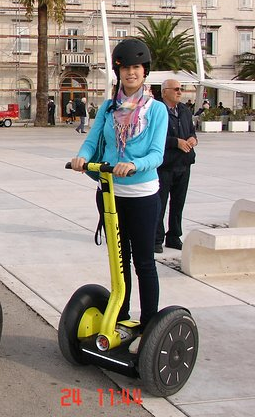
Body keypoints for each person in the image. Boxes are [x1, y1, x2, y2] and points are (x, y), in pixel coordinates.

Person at [70, 39, 167, 345]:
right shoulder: (109, 108)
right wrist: (82, 157)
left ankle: (149, 324)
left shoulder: (156, 110)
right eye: (125, 67)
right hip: (110, 192)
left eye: (136, 67)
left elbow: (157, 154)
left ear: (144, 71)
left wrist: (134, 165)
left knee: (143, 262)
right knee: (119, 259)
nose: (130, 73)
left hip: (142, 195)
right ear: (118, 72)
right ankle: (121, 314)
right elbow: (93, 140)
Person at [155, 79, 197, 253]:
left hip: (184, 164)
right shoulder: (157, 110)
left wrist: (193, 139)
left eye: (181, 89)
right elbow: (152, 138)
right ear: (165, 92)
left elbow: (192, 131)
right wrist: (175, 142)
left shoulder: (184, 111)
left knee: (178, 203)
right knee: (160, 204)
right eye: (176, 89)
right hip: (165, 165)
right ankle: (156, 239)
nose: (180, 92)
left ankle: (174, 236)